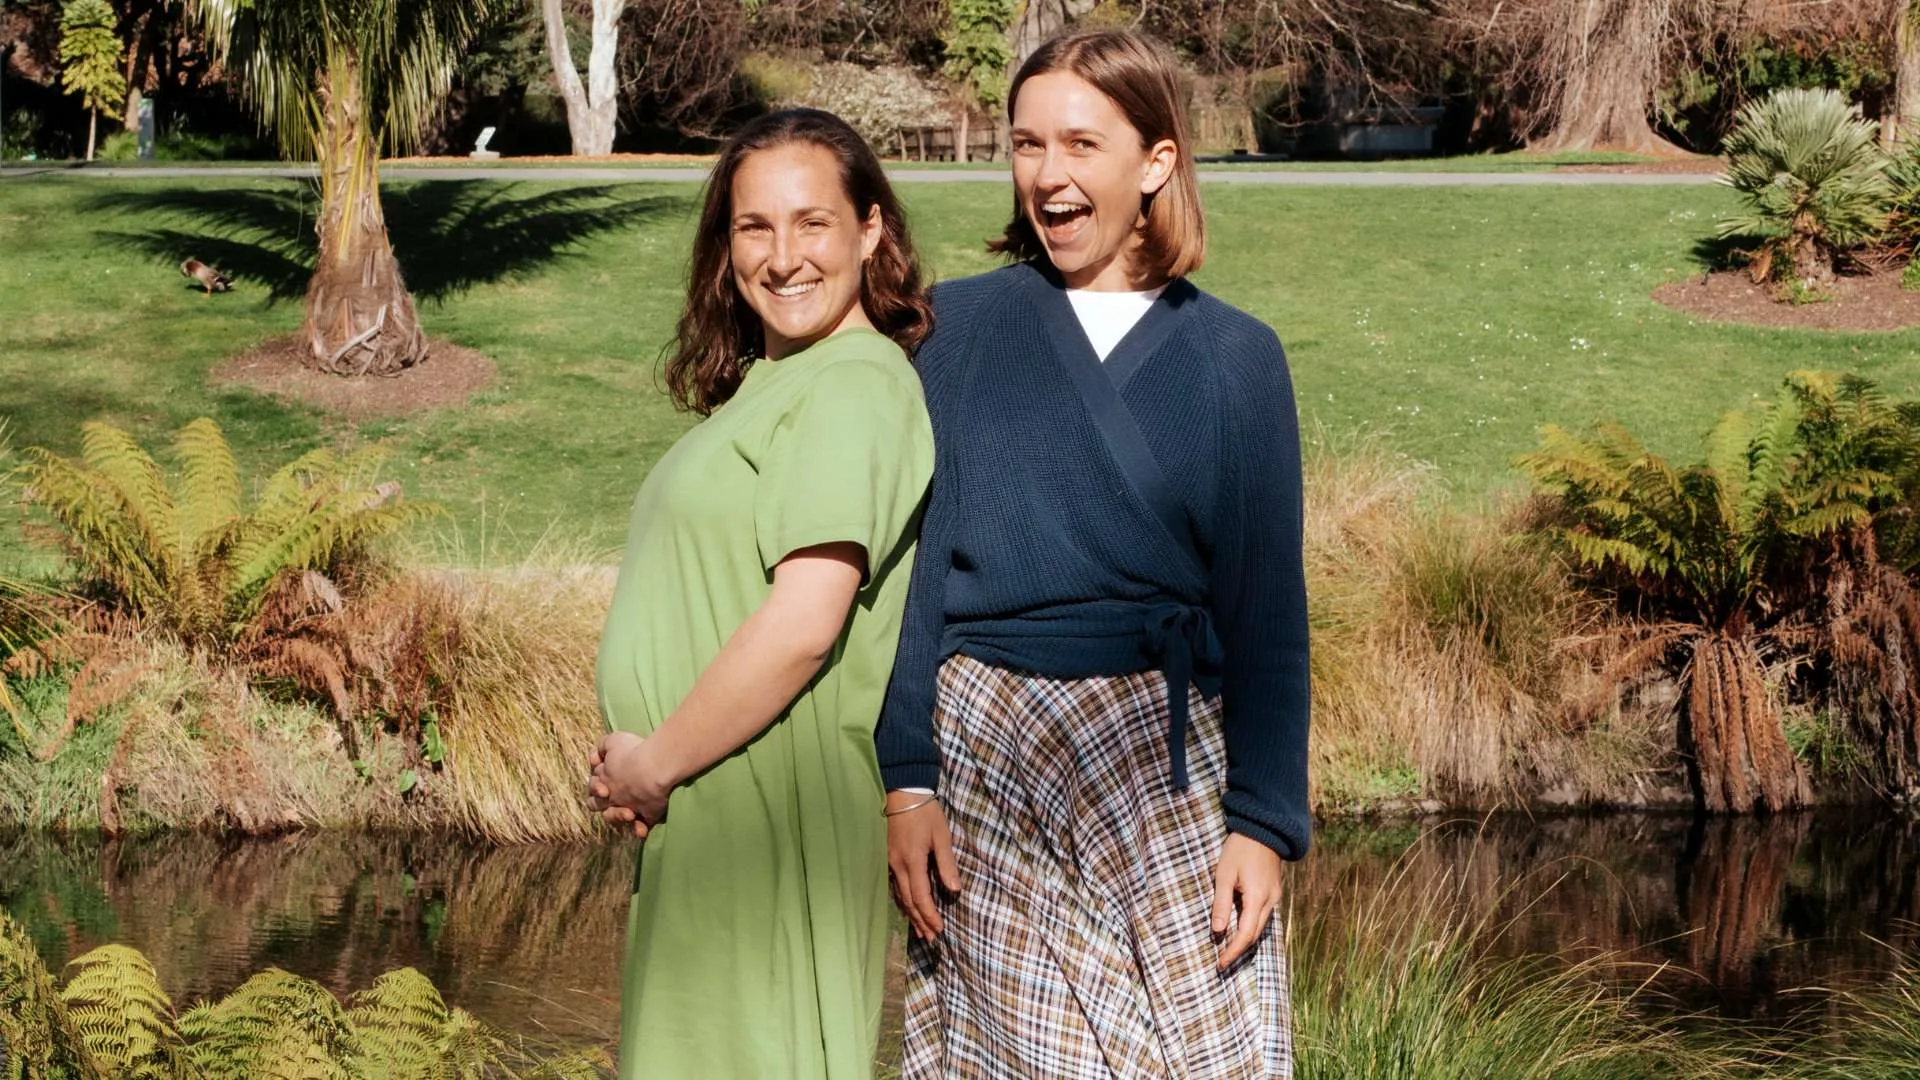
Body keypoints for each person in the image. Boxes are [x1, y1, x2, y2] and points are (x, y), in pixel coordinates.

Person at [878, 29, 1310, 1079]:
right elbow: (911, 578)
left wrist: (1263, 819)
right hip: (992, 756)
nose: (1049, 174)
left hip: (1163, 763)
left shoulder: (1235, 359)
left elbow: (1267, 616)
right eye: (1027, 144)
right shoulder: (953, 332)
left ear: (1156, 163)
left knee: (1206, 1053)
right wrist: (909, 782)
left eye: (1082, 142)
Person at [585, 107, 935, 1079]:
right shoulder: (784, 384)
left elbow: (802, 625)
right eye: (754, 227)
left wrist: (652, 765)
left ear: (871, 230)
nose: (784, 257)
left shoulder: (854, 386)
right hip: (715, 803)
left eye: (812, 222)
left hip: (762, 812)